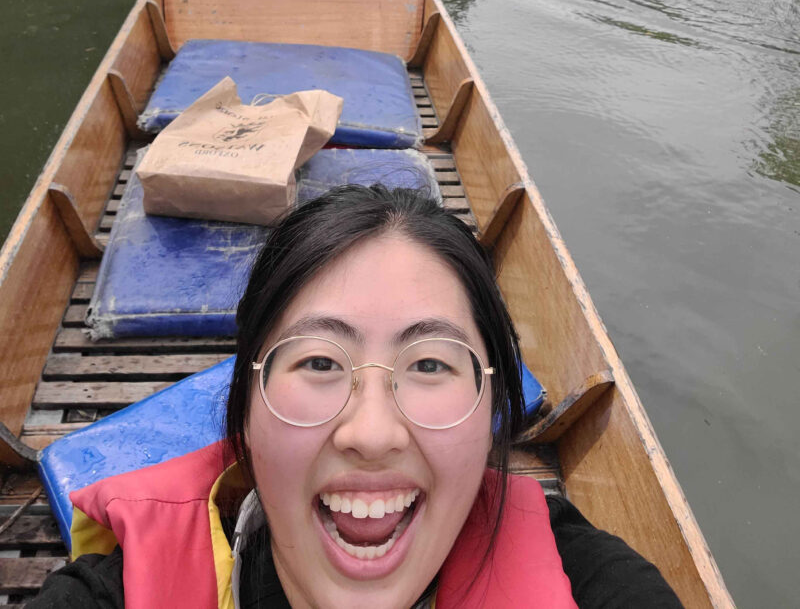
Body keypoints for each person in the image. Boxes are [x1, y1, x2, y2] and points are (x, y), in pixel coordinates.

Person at [30, 186, 683, 608]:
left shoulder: (591, 583)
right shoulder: (116, 595)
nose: (371, 432)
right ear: (246, 413)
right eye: (318, 360)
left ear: (490, 410)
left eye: (429, 361)